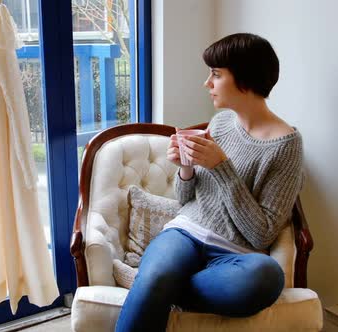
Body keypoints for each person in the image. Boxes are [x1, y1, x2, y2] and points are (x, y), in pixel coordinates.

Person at [115, 33, 304, 332]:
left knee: (267, 277)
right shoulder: (220, 123)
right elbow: (186, 200)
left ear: (245, 78)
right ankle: (155, 280)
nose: (207, 83)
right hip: (185, 234)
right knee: (160, 273)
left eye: (216, 74)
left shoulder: (286, 145)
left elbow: (262, 234)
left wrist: (221, 167)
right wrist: (186, 170)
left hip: (235, 257)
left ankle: (153, 283)